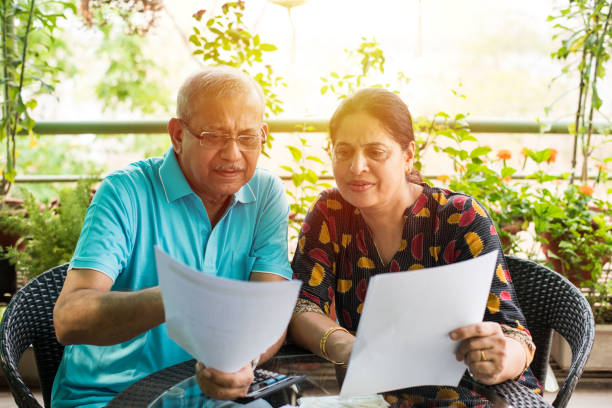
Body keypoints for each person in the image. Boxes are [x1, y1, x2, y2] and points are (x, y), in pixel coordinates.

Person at [52, 66, 292, 408]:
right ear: (178, 135)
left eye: (247, 137)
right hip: (109, 397)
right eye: (213, 135)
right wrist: (181, 298)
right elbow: (69, 318)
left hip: (207, 396)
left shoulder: (265, 194)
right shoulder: (125, 192)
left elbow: (271, 311)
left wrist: (244, 361)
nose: (233, 154)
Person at [289, 88, 543, 407]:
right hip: (376, 398)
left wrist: (501, 359)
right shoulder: (332, 212)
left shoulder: (459, 217)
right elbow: (302, 306)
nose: (356, 167)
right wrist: (345, 346)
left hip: (478, 396)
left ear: (408, 156)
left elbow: (515, 335)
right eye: (344, 151)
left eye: (376, 152)